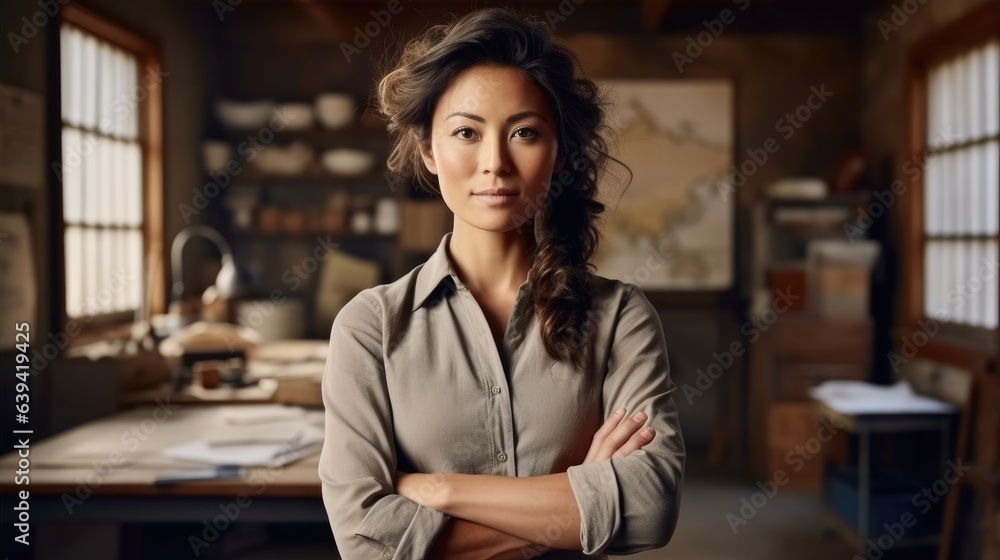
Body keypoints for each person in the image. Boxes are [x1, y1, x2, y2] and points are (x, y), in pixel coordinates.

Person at [318, 8, 685, 559]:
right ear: (427, 150)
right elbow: (363, 539)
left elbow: (650, 506)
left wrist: (438, 490)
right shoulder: (370, 327)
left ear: (557, 150)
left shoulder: (619, 317)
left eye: (525, 133)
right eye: (466, 132)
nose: (495, 162)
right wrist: (578, 497)